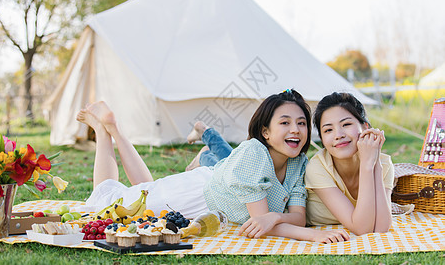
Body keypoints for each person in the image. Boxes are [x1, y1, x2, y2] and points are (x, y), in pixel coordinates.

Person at [78, 89, 349, 243]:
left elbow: (296, 218)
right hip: (194, 199)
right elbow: (261, 223)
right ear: (265, 132)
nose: (296, 129)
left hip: (204, 194)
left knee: (143, 190)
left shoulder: (299, 162)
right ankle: (104, 133)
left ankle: (113, 129)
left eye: (301, 123)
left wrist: (274, 216)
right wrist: (310, 237)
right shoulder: (255, 152)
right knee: (106, 198)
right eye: (285, 122)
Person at [305, 92, 394, 235]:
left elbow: (382, 227)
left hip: (360, 221)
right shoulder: (317, 167)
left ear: (365, 127)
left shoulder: (384, 163)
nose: (338, 135)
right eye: (328, 130)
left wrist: (374, 162)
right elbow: (362, 229)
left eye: (346, 124)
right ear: (321, 138)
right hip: (323, 228)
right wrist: (367, 165)